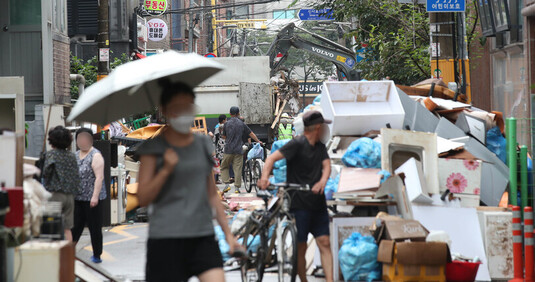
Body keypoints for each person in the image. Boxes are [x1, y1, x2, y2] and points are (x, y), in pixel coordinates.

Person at [136, 82, 240, 282]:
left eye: (189, 107)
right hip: (166, 240)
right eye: (179, 107)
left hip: (202, 236)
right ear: (165, 110)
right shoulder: (153, 148)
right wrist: (166, 169)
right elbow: (143, 198)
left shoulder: (202, 143)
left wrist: (228, 234)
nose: (185, 113)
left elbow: (211, 193)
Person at [258, 111, 334, 282]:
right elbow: (271, 159)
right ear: (317, 128)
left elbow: (327, 165)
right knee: (301, 248)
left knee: (325, 243)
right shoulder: (296, 144)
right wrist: (264, 177)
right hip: (299, 204)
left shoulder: (320, 147)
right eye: (323, 126)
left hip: (318, 202)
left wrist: (322, 181)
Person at [71, 128, 106, 264]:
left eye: (85, 138)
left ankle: (97, 254)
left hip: (93, 199)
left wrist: (95, 197)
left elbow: (99, 177)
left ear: (91, 140)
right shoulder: (75, 155)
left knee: (94, 227)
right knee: (75, 227)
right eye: (80, 138)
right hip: (77, 197)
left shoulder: (96, 155)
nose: (82, 141)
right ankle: (69, 253)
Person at [42, 126, 80, 242]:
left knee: (52, 227)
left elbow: (46, 172)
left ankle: (55, 256)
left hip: (55, 195)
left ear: (52, 141)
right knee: (67, 229)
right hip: (69, 196)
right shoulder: (72, 156)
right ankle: (68, 256)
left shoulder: (51, 154)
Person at [221, 107, 263, 194]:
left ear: (230, 113)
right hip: (238, 149)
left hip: (228, 149)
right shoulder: (241, 124)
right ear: (238, 113)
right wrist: (258, 141)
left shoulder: (226, 124)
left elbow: (224, 136)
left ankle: (227, 185)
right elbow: (251, 133)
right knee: (238, 169)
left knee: (224, 166)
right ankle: (237, 188)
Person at [213, 115, 227, 184]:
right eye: (226, 119)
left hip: (219, 148)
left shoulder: (216, 127)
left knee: (218, 164)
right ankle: (221, 179)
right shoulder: (222, 127)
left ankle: (216, 179)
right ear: (223, 120)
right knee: (222, 164)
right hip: (222, 148)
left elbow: (214, 139)